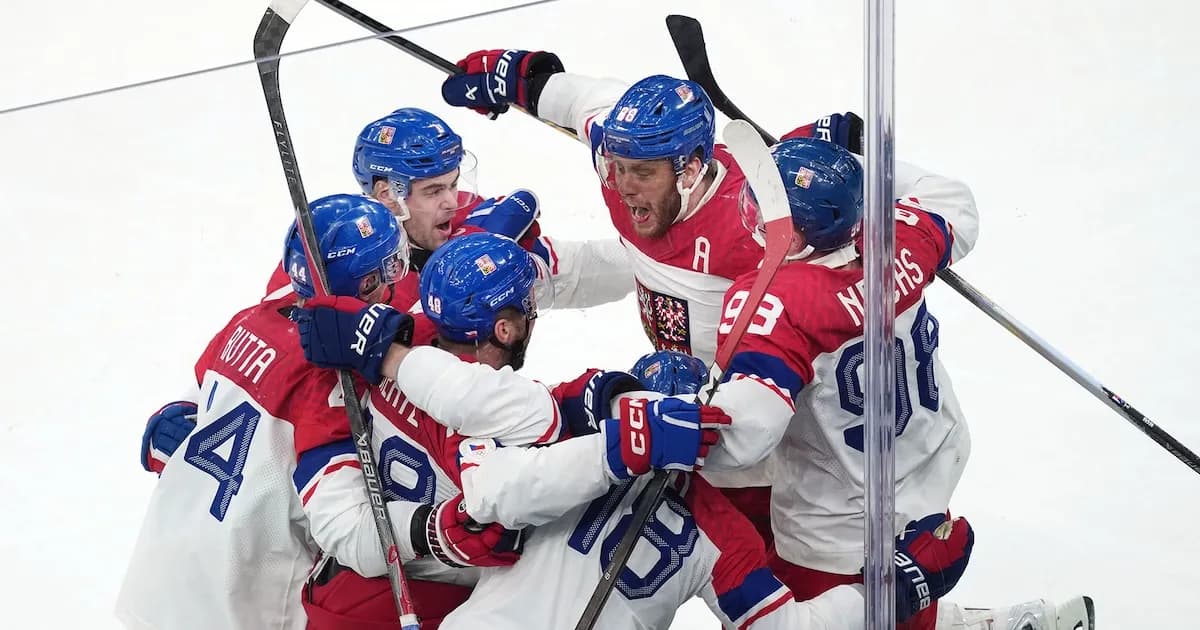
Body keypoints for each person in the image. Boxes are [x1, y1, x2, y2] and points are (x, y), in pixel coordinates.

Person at [296, 233, 976, 630]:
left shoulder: (564, 455)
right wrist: (893, 590)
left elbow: (495, 481)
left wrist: (613, 448)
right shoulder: (716, 526)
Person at [712, 137, 1092, 630]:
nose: (756, 220)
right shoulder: (898, 240)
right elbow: (952, 198)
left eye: (769, 212)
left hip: (837, 528)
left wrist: (679, 410)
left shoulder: (777, 301)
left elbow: (744, 437)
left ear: (800, 234)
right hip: (925, 476)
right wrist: (848, 170)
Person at [117, 194, 421, 630]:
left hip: (161, 574)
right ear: (366, 283)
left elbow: (193, 405)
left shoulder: (250, 320)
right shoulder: (337, 378)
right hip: (240, 599)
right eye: (389, 270)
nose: (397, 283)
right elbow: (342, 520)